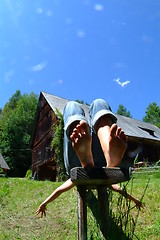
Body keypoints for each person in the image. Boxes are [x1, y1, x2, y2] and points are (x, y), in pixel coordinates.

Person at [36, 99, 144, 218]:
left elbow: (59, 191)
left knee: (71, 107)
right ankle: (109, 154)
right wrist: (135, 200)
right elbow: (120, 190)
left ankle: (88, 160)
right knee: (99, 103)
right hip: (102, 165)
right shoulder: (102, 177)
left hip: (78, 165)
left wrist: (45, 203)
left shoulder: (76, 180)